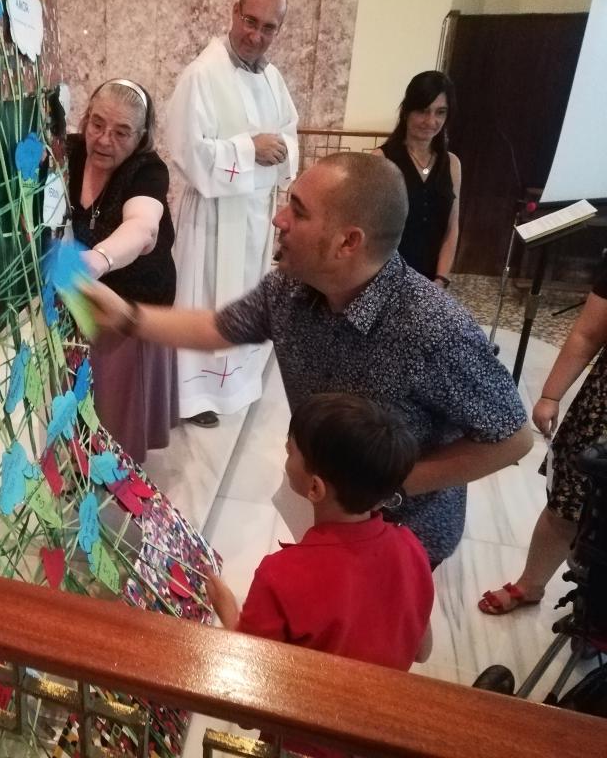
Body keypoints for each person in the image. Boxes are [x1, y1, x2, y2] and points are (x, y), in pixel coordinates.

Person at [83, 152, 533, 566]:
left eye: (298, 211)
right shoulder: (290, 288)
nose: (278, 218)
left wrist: (386, 486)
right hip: (324, 502)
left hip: (401, 531)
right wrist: (127, 317)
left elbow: (513, 440)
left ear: (347, 242)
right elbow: (219, 328)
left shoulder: (432, 328)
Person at [206, 393, 433, 671]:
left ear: (315, 488)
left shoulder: (280, 575)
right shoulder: (411, 547)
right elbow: (422, 651)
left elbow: (252, 666)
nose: (286, 456)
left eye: (290, 451)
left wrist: (228, 611)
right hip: (385, 695)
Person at [166, 0, 298, 428]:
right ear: (234, 13)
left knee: (246, 295)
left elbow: (290, 132)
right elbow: (185, 149)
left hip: (255, 216)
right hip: (213, 217)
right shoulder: (202, 74)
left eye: (268, 28)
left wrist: (281, 148)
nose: (256, 35)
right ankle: (194, 395)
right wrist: (248, 149)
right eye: (250, 21)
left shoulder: (273, 78)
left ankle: (237, 381)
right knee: (205, 297)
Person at [479, 265, 607, 614]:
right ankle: (530, 585)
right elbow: (588, 333)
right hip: (603, 412)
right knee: (568, 504)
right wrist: (550, 395)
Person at [66, 78, 177, 463]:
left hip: (132, 298)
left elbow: (142, 227)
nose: (104, 140)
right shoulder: (69, 152)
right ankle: (76, 457)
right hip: (80, 299)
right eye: (97, 124)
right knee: (73, 390)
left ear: (141, 137)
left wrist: (98, 260)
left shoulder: (147, 170)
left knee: (117, 401)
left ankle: (114, 468)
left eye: (121, 132)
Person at [374, 71, 461, 286]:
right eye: (423, 111)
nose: (431, 121)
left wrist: (440, 280)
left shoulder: (452, 164)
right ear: (406, 111)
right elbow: (371, 229)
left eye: (440, 112)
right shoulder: (381, 159)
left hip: (431, 281)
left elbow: (452, 228)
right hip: (386, 278)